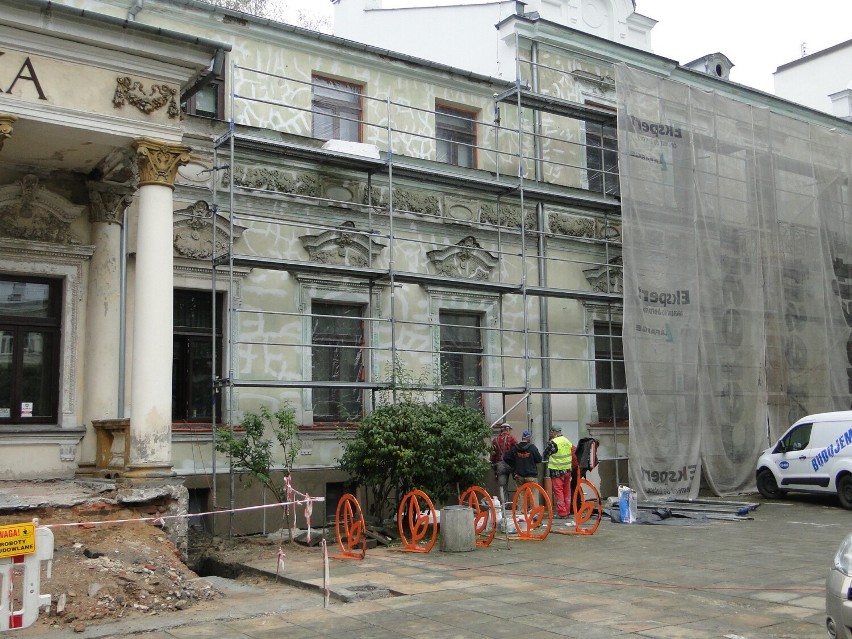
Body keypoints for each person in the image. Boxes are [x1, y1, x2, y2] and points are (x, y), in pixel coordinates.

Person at [543, 425, 574, 518]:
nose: (551, 434)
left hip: (557, 470)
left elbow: (546, 454)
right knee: (567, 491)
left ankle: (562, 512)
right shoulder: (567, 440)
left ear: (554, 432)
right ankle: (567, 511)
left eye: (551, 432)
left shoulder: (553, 442)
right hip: (567, 469)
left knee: (558, 491)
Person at [490, 421, 517, 502]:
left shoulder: (495, 440)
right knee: (518, 483)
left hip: (500, 465)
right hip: (511, 465)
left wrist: (494, 467)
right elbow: (517, 449)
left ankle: (504, 505)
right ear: (508, 430)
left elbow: (492, 455)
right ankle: (518, 503)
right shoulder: (512, 438)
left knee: (502, 486)